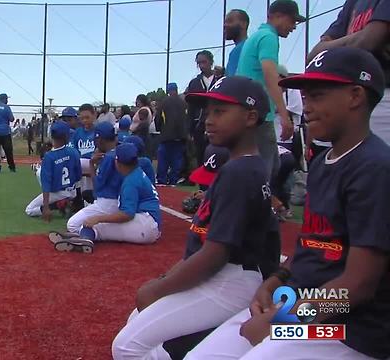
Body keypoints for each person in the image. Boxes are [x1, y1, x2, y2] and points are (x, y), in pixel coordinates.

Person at [186, 46, 390, 360]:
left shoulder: (375, 167)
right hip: (299, 303)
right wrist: (274, 281)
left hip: (349, 328)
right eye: (305, 97)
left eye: (317, 95)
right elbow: (314, 246)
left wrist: (282, 322)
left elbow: (358, 286)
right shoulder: (323, 163)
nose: (305, 106)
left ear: (355, 96)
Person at [112, 76, 272, 359]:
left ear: (250, 117)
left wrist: (159, 288)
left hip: (228, 280)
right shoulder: (245, 167)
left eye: (220, 111)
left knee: (126, 346)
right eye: (208, 111)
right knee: (138, 328)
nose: (208, 120)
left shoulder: (240, 172)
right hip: (227, 276)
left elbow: (215, 254)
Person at [236, 0, 304, 178]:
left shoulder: (258, 35)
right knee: (264, 171)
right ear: (278, 16)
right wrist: (284, 115)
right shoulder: (268, 37)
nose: (294, 27)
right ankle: (254, 205)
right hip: (259, 115)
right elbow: (270, 75)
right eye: (292, 21)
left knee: (272, 166)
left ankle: (262, 202)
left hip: (251, 113)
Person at [307, 0, 390, 146]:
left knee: (375, 163)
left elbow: (369, 42)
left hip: (382, 99)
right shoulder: (353, 2)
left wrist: (335, 45)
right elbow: (314, 54)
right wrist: (358, 37)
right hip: (346, 100)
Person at [53, 143, 161, 253]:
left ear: (118, 162)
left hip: (146, 225)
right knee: (92, 225)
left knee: (96, 226)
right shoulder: (136, 172)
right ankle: (79, 236)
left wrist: (98, 218)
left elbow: (127, 214)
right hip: (148, 222)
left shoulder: (131, 181)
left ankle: (83, 241)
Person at [53, 121, 121, 237]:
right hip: (120, 201)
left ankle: (88, 235)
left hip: (108, 202)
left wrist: (91, 164)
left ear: (100, 140)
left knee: (72, 225)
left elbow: (97, 187)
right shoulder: (118, 152)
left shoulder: (108, 157)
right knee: (86, 196)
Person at [25, 121, 81, 220]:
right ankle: (67, 202)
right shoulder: (74, 152)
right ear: (66, 136)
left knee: (29, 210)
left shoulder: (49, 156)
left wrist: (46, 207)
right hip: (72, 191)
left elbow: (46, 185)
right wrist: (77, 196)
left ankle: (57, 205)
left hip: (58, 193)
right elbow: (78, 176)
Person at [185, 50, 223, 166]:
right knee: (201, 155)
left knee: (218, 153)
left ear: (211, 62)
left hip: (218, 123)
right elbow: (191, 108)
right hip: (199, 125)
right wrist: (189, 130)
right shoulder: (195, 83)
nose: (201, 66)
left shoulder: (220, 80)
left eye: (204, 62)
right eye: (199, 63)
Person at [155, 82, 188, 185]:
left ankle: (162, 180)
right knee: (177, 160)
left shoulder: (164, 102)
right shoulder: (184, 103)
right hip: (180, 136)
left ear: (168, 90)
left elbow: (158, 119)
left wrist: (160, 129)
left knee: (163, 159)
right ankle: (173, 180)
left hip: (166, 136)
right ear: (177, 89)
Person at [71, 104, 97, 204]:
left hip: (94, 162)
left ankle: (86, 203)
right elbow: (74, 150)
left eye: (87, 117)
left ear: (94, 115)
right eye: (82, 118)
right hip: (81, 163)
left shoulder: (98, 130)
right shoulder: (78, 132)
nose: (85, 120)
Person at [224, 9, 250, 77]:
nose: (225, 25)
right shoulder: (243, 48)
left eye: (230, 21)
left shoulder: (243, 48)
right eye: (225, 22)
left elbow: (233, 82)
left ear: (244, 24)